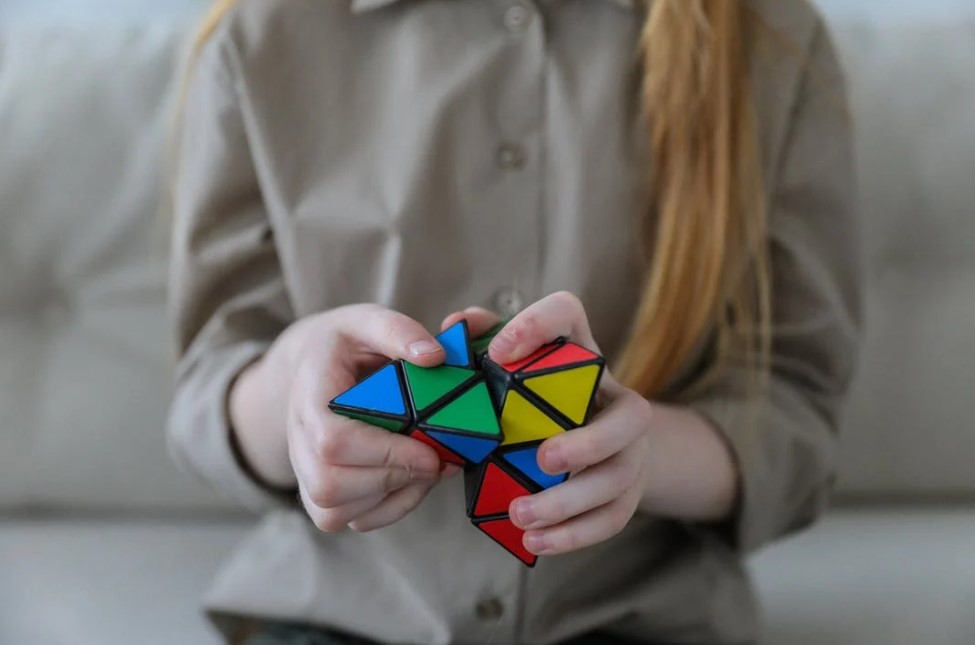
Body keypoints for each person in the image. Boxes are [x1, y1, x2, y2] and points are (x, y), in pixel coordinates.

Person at [168, 0, 860, 643]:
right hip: (338, 614)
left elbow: (793, 413)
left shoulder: (770, 39)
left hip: (639, 618)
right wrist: (293, 383)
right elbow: (205, 396)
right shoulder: (261, 37)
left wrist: (641, 456)